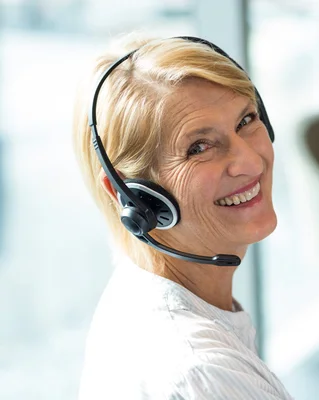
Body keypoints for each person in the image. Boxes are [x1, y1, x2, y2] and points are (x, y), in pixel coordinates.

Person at [73, 33, 293, 399]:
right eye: (199, 147)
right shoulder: (202, 374)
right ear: (132, 195)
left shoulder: (138, 291)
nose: (251, 162)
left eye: (246, 120)